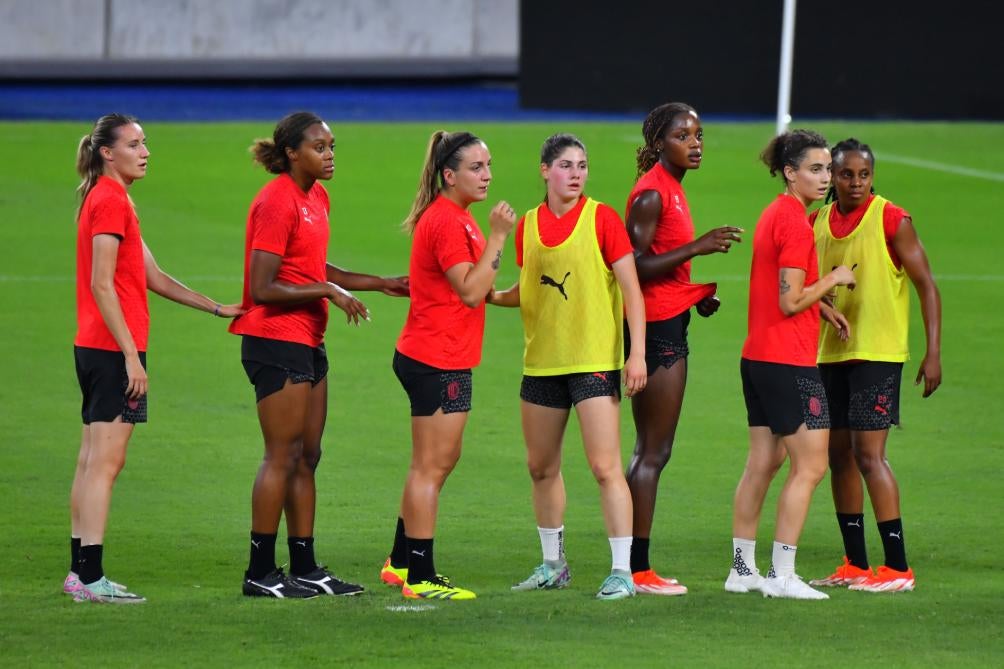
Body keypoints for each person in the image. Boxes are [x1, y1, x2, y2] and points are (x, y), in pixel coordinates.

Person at [230, 111, 409, 599]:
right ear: (292, 153)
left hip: (307, 339)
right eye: (319, 148)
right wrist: (328, 290)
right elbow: (264, 286)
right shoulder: (275, 201)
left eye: (332, 147)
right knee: (281, 455)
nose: (329, 156)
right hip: (274, 339)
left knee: (308, 455)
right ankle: (260, 571)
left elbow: (311, 266)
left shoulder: (316, 197)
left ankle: (305, 566)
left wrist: (380, 282)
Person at [68, 113, 243, 604]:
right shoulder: (108, 200)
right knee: (106, 462)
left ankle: (79, 572)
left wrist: (213, 307)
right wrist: (131, 357)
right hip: (111, 349)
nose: (145, 152)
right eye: (135, 144)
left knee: (90, 460)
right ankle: (91, 577)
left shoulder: (112, 199)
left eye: (146, 144)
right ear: (108, 152)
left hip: (95, 344)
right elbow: (104, 284)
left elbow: (153, 275)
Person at [490, 133, 647, 601]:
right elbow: (530, 288)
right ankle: (553, 564)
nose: (576, 173)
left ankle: (623, 571)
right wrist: (493, 297)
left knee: (605, 467)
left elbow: (632, 291)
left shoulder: (602, 219)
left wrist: (635, 353)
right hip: (541, 364)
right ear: (544, 171)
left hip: (594, 362)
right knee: (540, 467)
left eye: (582, 165)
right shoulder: (528, 226)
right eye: (565, 165)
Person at [379, 130, 515, 601]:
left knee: (431, 463)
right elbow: (471, 291)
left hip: (436, 352)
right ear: (449, 174)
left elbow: (480, 287)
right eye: (477, 168)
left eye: (489, 165)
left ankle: (400, 562)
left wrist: (516, 295)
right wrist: (500, 236)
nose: (488, 175)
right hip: (437, 357)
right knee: (431, 468)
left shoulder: (458, 218)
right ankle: (421, 575)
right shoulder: (449, 222)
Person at [724, 129, 856, 600]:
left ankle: (742, 570)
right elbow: (790, 299)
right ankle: (782, 575)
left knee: (763, 462)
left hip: (757, 357)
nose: (825, 179)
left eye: (827, 169)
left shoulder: (774, 214)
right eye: (815, 170)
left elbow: (779, 289)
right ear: (790, 172)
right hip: (789, 363)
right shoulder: (798, 225)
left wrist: (824, 306)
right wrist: (836, 279)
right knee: (811, 466)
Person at [807, 138, 941, 593]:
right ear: (832, 177)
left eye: (864, 174)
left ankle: (898, 567)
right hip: (831, 354)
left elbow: (926, 285)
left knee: (869, 455)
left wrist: (933, 351)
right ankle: (856, 563)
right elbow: (804, 290)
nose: (856, 182)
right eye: (846, 174)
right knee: (837, 456)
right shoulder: (817, 221)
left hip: (878, 355)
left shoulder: (891, 219)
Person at [624, 102, 743, 595]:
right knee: (653, 452)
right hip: (655, 334)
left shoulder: (670, 187)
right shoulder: (652, 194)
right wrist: (697, 247)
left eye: (698, 134)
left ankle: (630, 564)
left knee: (653, 450)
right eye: (682, 135)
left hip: (668, 322)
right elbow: (629, 265)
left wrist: (697, 296)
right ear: (659, 143)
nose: (694, 143)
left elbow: (660, 269)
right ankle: (635, 569)